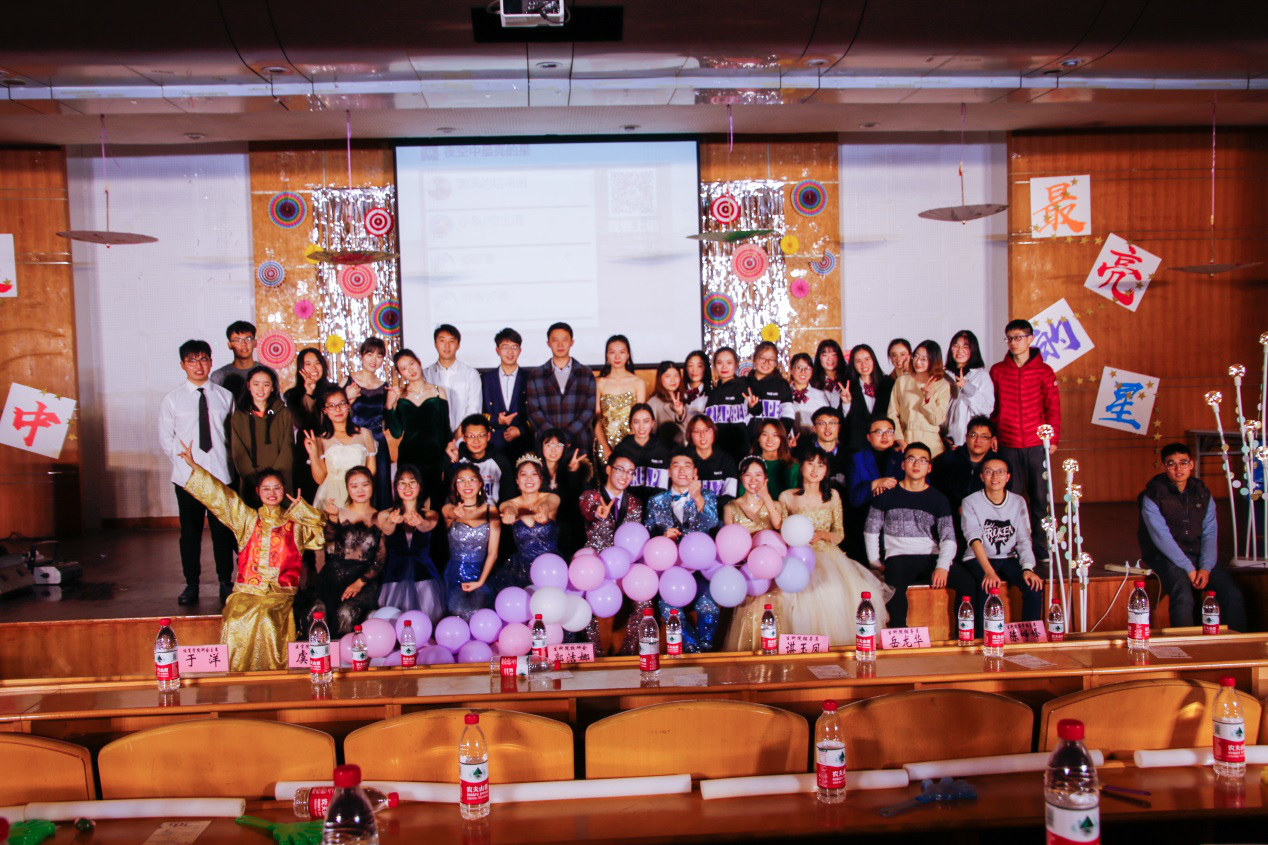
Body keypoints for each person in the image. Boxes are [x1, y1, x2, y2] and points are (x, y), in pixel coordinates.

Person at [175, 443, 324, 671]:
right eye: (266, 488)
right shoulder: (247, 519)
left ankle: (272, 674)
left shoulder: (294, 524)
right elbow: (222, 497)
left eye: (277, 488)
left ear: (284, 490)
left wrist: (303, 511)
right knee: (235, 618)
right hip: (248, 590)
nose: (272, 493)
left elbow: (319, 538)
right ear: (258, 492)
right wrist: (195, 467)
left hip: (278, 592)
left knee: (267, 617)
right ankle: (238, 674)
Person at [776, 449, 890, 645]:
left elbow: (839, 534)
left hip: (828, 554)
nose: (815, 470)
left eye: (821, 465)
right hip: (797, 556)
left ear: (826, 470)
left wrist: (821, 535)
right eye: (810, 463)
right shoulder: (787, 497)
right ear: (801, 466)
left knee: (835, 588)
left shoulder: (833, 496)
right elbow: (782, 532)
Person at [159, 339, 237, 606]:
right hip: (188, 478)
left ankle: (225, 581)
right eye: (192, 360)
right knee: (190, 533)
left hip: (220, 475)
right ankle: (191, 584)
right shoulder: (172, 399)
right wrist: (186, 467)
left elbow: (231, 437)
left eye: (203, 359)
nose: (198, 365)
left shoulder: (225, 397)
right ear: (183, 365)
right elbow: (166, 439)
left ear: (211, 362)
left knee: (222, 532)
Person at [1138, 443, 1247, 631]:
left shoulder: (1202, 493)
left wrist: (1205, 567)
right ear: (1164, 467)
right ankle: (1186, 645)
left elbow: (1210, 532)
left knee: (1232, 595)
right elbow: (1161, 538)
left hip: (1197, 553)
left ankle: (1236, 643)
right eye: (1171, 463)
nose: (1178, 468)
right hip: (1166, 556)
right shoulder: (1152, 496)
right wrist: (1189, 568)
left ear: (1191, 464)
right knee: (1183, 597)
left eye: (1183, 462)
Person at [990, 319, 1061, 565]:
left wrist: (1052, 438)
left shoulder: (1044, 371)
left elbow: (1053, 408)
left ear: (1030, 339)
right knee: (1010, 498)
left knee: (1040, 499)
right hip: (1008, 443)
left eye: (1018, 337)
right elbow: (993, 407)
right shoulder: (998, 371)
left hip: (1036, 444)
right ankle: (1012, 545)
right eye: (1009, 338)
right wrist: (994, 434)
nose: (1013, 343)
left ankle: (1041, 546)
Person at [864, 442, 956, 627]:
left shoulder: (939, 499)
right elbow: (871, 530)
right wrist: (875, 562)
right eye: (911, 459)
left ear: (929, 467)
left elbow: (948, 537)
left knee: (967, 582)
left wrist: (942, 566)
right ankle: (900, 634)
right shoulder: (885, 496)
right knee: (894, 589)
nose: (916, 464)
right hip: (898, 557)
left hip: (930, 556)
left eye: (922, 460)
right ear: (903, 464)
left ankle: (968, 633)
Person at [950, 456, 1044, 635]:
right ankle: (982, 638)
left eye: (1000, 472)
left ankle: (1031, 637)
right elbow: (974, 538)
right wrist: (988, 571)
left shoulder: (1018, 501)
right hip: (978, 557)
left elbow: (1024, 539)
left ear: (1007, 477)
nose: (995, 476)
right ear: (982, 477)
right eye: (989, 472)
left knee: (1033, 586)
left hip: (1008, 557)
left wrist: (1028, 568)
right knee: (986, 585)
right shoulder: (970, 501)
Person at [644, 450, 721, 652]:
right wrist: (663, 539)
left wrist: (698, 499)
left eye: (687, 466)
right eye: (676, 465)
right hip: (669, 571)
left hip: (700, 569)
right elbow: (647, 535)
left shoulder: (707, 496)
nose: (682, 470)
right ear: (669, 472)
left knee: (708, 605)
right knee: (668, 607)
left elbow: (712, 522)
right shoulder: (655, 501)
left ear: (695, 472)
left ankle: (706, 648)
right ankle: (693, 650)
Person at [313, 466, 385, 637]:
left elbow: (380, 558)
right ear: (347, 488)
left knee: (346, 613)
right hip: (334, 575)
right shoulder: (340, 512)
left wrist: (360, 583)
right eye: (354, 486)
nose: (360, 490)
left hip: (363, 579)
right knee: (317, 611)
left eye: (365, 484)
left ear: (372, 486)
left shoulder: (381, 518)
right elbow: (328, 538)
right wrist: (332, 517)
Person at [722, 457, 784, 652]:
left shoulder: (775, 504)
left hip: (771, 572)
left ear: (766, 478)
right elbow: (729, 543)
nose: (753, 480)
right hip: (746, 572)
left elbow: (779, 525)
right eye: (748, 475)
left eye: (758, 475)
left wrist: (766, 497)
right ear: (741, 478)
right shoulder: (730, 507)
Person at [377, 464, 444, 621]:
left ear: (419, 486)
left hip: (424, 576)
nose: (407, 487)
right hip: (395, 577)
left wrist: (420, 522)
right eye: (402, 483)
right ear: (396, 487)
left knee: (426, 621)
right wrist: (392, 522)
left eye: (412, 482)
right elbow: (387, 530)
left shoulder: (430, 514)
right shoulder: (385, 514)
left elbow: (427, 526)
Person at [386, 348, 451, 506]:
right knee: (411, 505)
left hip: (434, 458)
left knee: (436, 505)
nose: (410, 370)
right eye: (404, 368)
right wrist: (389, 405)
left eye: (412, 364)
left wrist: (446, 461)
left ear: (419, 363)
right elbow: (396, 432)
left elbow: (445, 429)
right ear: (400, 373)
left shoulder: (438, 392)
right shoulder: (400, 396)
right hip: (409, 458)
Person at [932, 415, 1000, 557]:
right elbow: (935, 493)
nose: (978, 441)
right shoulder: (945, 461)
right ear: (966, 436)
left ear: (992, 440)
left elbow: (1001, 500)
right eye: (973, 435)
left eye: (984, 437)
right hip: (950, 520)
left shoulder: (1000, 465)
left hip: (984, 523)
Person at [526, 322, 598, 453]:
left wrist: (565, 436)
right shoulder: (536, 375)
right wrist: (554, 438)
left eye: (564, 340)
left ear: (572, 342)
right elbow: (533, 411)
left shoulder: (585, 373)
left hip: (578, 444)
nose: (560, 345)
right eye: (555, 340)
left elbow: (588, 411)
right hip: (547, 445)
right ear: (548, 343)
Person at [229, 365, 294, 507]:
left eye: (266, 385)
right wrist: (258, 483)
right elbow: (239, 453)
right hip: (251, 484)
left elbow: (287, 449)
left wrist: (274, 483)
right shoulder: (239, 417)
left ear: (272, 388)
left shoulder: (284, 413)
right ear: (248, 386)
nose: (261, 389)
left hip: (280, 484)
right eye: (256, 384)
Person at [442, 464, 500, 619]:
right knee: (456, 616)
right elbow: (449, 513)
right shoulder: (448, 509)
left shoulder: (491, 511)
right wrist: (455, 513)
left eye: (472, 479)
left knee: (479, 617)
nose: (467, 484)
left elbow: (493, 553)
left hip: (481, 573)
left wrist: (480, 581)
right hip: (454, 575)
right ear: (455, 486)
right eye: (461, 480)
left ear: (480, 484)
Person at [306, 386, 377, 513]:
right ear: (325, 410)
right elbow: (320, 478)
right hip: (330, 496)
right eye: (332, 406)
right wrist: (312, 454)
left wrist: (359, 487)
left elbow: (371, 470)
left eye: (342, 403)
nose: (338, 409)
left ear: (348, 405)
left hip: (358, 493)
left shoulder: (364, 434)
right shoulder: (321, 439)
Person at [496, 454, 561, 591]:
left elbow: (549, 504)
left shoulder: (552, 497)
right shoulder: (509, 504)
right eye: (524, 474)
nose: (529, 479)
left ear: (541, 479)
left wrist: (544, 509)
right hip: (521, 569)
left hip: (551, 567)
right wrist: (510, 512)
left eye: (534, 474)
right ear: (517, 480)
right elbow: (508, 508)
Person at [845, 417, 904, 563]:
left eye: (889, 432)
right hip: (865, 519)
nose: (885, 436)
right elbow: (854, 499)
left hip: (898, 522)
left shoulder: (903, 458)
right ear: (868, 437)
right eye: (878, 432)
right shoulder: (857, 459)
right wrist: (874, 484)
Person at [344, 337, 393, 509]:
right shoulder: (348, 382)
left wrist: (390, 405)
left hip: (378, 442)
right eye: (370, 354)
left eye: (379, 355)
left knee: (379, 486)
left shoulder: (384, 386)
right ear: (361, 355)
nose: (374, 360)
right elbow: (333, 413)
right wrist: (347, 400)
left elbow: (388, 421)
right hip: (353, 440)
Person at [284, 347, 335, 503]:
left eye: (317, 363)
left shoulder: (333, 391)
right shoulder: (292, 395)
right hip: (305, 452)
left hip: (331, 449)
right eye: (308, 364)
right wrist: (309, 394)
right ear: (301, 368)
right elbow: (301, 423)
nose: (314, 368)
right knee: (308, 498)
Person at [889, 340, 951, 458]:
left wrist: (928, 398)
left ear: (934, 360)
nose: (918, 362)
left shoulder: (942, 385)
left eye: (924, 359)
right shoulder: (901, 381)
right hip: (907, 439)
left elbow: (937, 420)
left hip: (931, 442)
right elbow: (892, 414)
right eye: (916, 356)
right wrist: (900, 440)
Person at [690, 346, 752, 461]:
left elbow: (755, 417)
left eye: (729, 363)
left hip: (741, 450)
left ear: (736, 365)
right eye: (719, 363)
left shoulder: (745, 388)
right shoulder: (713, 393)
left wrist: (754, 407)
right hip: (717, 452)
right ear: (714, 366)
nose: (724, 367)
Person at [481, 327, 531, 461]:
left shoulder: (530, 378)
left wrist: (521, 430)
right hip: (494, 445)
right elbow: (479, 412)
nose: (510, 352)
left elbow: (537, 413)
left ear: (520, 350)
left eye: (514, 347)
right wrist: (496, 420)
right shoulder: (486, 379)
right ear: (497, 350)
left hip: (524, 445)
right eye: (505, 347)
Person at [594, 334, 646, 462]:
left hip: (632, 445)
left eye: (621, 352)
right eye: (612, 352)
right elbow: (595, 418)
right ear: (607, 355)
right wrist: (605, 448)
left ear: (628, 355)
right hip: (604, 446)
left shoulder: (637, 382)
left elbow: (640, 418)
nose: (617, 357)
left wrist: (627, 446)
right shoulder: (599, 383)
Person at [540, 428, 592, 555]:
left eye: (558, 445)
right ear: (541, 447)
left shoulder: (569, 468)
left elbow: (576, 495)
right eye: (549, 445)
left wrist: (573, 472)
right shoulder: (534, 471)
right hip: (540, 526)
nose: (553, 450)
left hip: (567, 529)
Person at [425, 324, 482, 436]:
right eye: (442, 340)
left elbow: (474, 410)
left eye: (452, 341)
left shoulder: (471, 374)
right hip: (432, 438)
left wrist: (456, 437)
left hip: (463, 439)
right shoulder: (425, 374)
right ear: (435, 344)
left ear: (458, 345)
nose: (447, 345)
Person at [579, 453, 644, 551]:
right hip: (595, 556)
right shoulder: (590, 496)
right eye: (620, 469)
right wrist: (597, 514)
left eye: (630, 472)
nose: (625, 476)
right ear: (608, 470)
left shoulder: (635, 503)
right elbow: (588, 510)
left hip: (625, 557)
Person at [445, 414, 515, 503]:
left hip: (493, 511)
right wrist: (453, 463)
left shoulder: (501, 462)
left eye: (481, 435)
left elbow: (509, 498)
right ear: (464, 438)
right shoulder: (458, 460)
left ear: (488, 436)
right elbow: (449, 497)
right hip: (464, 511)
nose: (476, 441)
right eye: (471, 436)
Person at [943, 330, 995, 450]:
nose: (960, 350)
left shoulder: (981, 376)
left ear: (973, 349)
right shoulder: (944, 375)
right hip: (945, 442)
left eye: (965, 346)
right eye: (956, 345)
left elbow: (986, 409)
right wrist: (940, 435)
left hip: (970, 443)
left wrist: (966, 387)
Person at [613, 403, 672, 503]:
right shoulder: (622, 448)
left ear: (652, 422)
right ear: (631, 424)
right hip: (630, 505)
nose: (641, 427)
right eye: (636, 422)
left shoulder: (664, 447)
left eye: (646, 421)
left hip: (659, 505)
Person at [844, 344, 893, 451]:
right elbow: (843, 419)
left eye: (867, 359)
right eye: (858, 361)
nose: (864, 364)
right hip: (856, 445)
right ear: (853, 364)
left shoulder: (888, 383)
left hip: (884, 445)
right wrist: (846, 404)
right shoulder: (847, 387)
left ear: (873, 360)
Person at [211, 320, 271, 402]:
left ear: (255, 343)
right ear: (230, 345)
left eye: (248, 339)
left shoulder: (268, 373)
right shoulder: (219, 376)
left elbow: (276, 404)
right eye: (237, 340)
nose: (244, 344)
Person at [685, 414, 739, 504]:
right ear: (690, 435)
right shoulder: (685, 460)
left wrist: (707, 507)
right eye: (697, 431)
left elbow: (730, 497)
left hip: (720, 510)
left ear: (713, 431)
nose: (702, 435)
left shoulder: (726, 460)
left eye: (706, 430)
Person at [746, 341, 795, 440]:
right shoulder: (744, 383)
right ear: (754, 359)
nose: (766, 363)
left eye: (771, 359)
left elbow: (788, 416)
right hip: (746, 442)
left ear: (776, 362)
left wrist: (778, 437)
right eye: (762, 358)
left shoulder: (782, 385)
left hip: (773, 442)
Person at [751, 420, 800, 499]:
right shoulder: (750, 465)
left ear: (782, 438)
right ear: (758, 438)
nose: (770, 439)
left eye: (775, 435)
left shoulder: (793, 466)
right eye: (765, 435)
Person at [646, 360, 689, 448]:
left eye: (676, 376)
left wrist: (680, 413)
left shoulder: (685, 398)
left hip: (687, 449)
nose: (673, 380)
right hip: (665, 450)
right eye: (668, 376)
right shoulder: (653, 402)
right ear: (660, 378)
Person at [789, 352, 832, 437]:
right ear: (791, 370)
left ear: (812, 371)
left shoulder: (820, 395)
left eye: (807, 368)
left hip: (815, 440)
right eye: (799, 368)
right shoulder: (784, 394)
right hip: (790, 441)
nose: (803, 372)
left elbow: (828, 420)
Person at [810, 339, 848, 409]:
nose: (830, 359)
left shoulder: (848, 379)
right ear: (818, 358)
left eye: (834, 355)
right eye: (825, 355)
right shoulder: (812, 382)